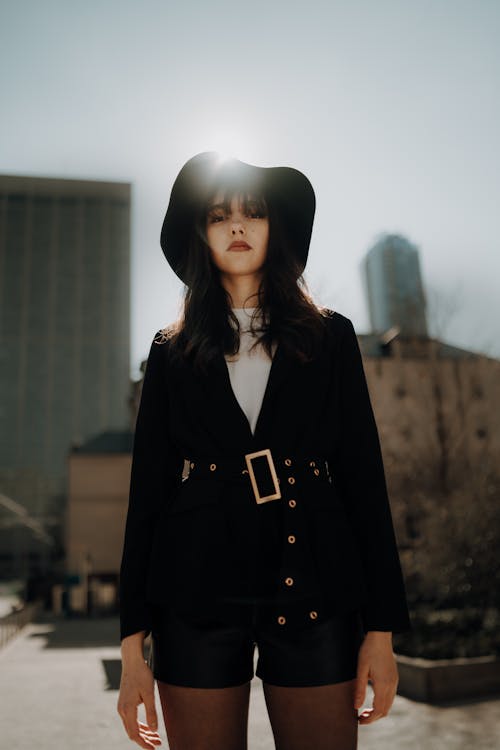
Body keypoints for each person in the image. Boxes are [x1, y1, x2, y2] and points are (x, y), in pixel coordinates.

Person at [117, 152, 412, 750]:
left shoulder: (331, 337)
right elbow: (147, 496)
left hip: (314, 587)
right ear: (201, 234)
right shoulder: (169, 352)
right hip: (195, 595)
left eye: (253, 213)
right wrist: (131, 649)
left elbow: (363, 481)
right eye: (219, 215)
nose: (237, 226)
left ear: (275, 229)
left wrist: (380, 629)